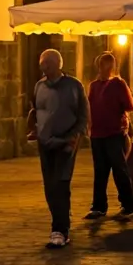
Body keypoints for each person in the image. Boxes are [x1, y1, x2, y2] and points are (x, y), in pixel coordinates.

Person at [30, 49, 89, 249]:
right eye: (41, 63)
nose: (43, 67)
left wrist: (75, 135)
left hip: (66, 143)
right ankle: (61, 216)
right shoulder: (39, 86)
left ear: (57, 65)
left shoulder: (74, 86)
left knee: (61, 184)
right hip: (45, 143)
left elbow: (83, 114)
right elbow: (35, 110)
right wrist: (34, 129)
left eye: (46, 63)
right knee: (50, 186)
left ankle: (60, 230)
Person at [84, 52, 133, 221]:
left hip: (114, 133)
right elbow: (89, 107)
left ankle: (128, 204)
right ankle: (99, 206)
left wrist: (130, 128)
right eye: (102, 63)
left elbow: (129, 107)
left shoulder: (118, 84)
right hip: (98, 134)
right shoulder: (94, 86)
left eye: (108, 64)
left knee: (119, 169)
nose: (105, 67)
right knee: (100, 171)